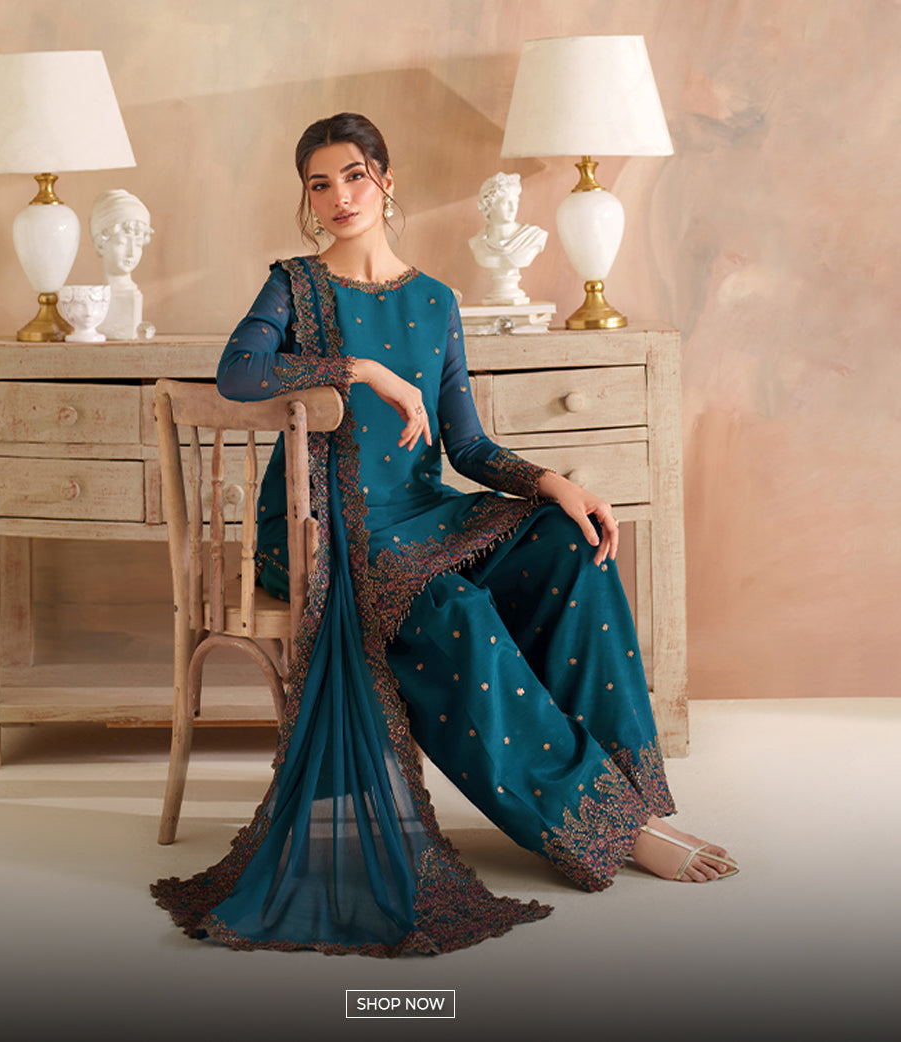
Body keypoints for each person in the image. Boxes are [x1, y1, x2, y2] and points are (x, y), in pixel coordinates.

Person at [151, 113, 737, 957]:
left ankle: (626, 797)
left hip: (421, 511)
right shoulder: (294, 286)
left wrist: (554, 482)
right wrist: (362, 370)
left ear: (387, 181)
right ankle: (595, 824)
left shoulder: (435, 301)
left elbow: (466, 448)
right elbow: (237, 374)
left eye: (355, 176)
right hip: (322, 529)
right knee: (453, 607)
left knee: (570, 542)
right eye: (320, 183)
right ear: (307, 198)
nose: (339, 196)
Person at [468, 171, 547, 305]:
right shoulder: (478, 243)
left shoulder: (533, 237)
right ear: (490, 205)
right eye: (506, 202)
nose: (513, 208)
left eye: (515, 201)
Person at [89, 188, 154, 339]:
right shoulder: (94, 299)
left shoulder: (132, 293)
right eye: (121, 243)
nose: (131, 253)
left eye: (138, 244)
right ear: (100, 244)